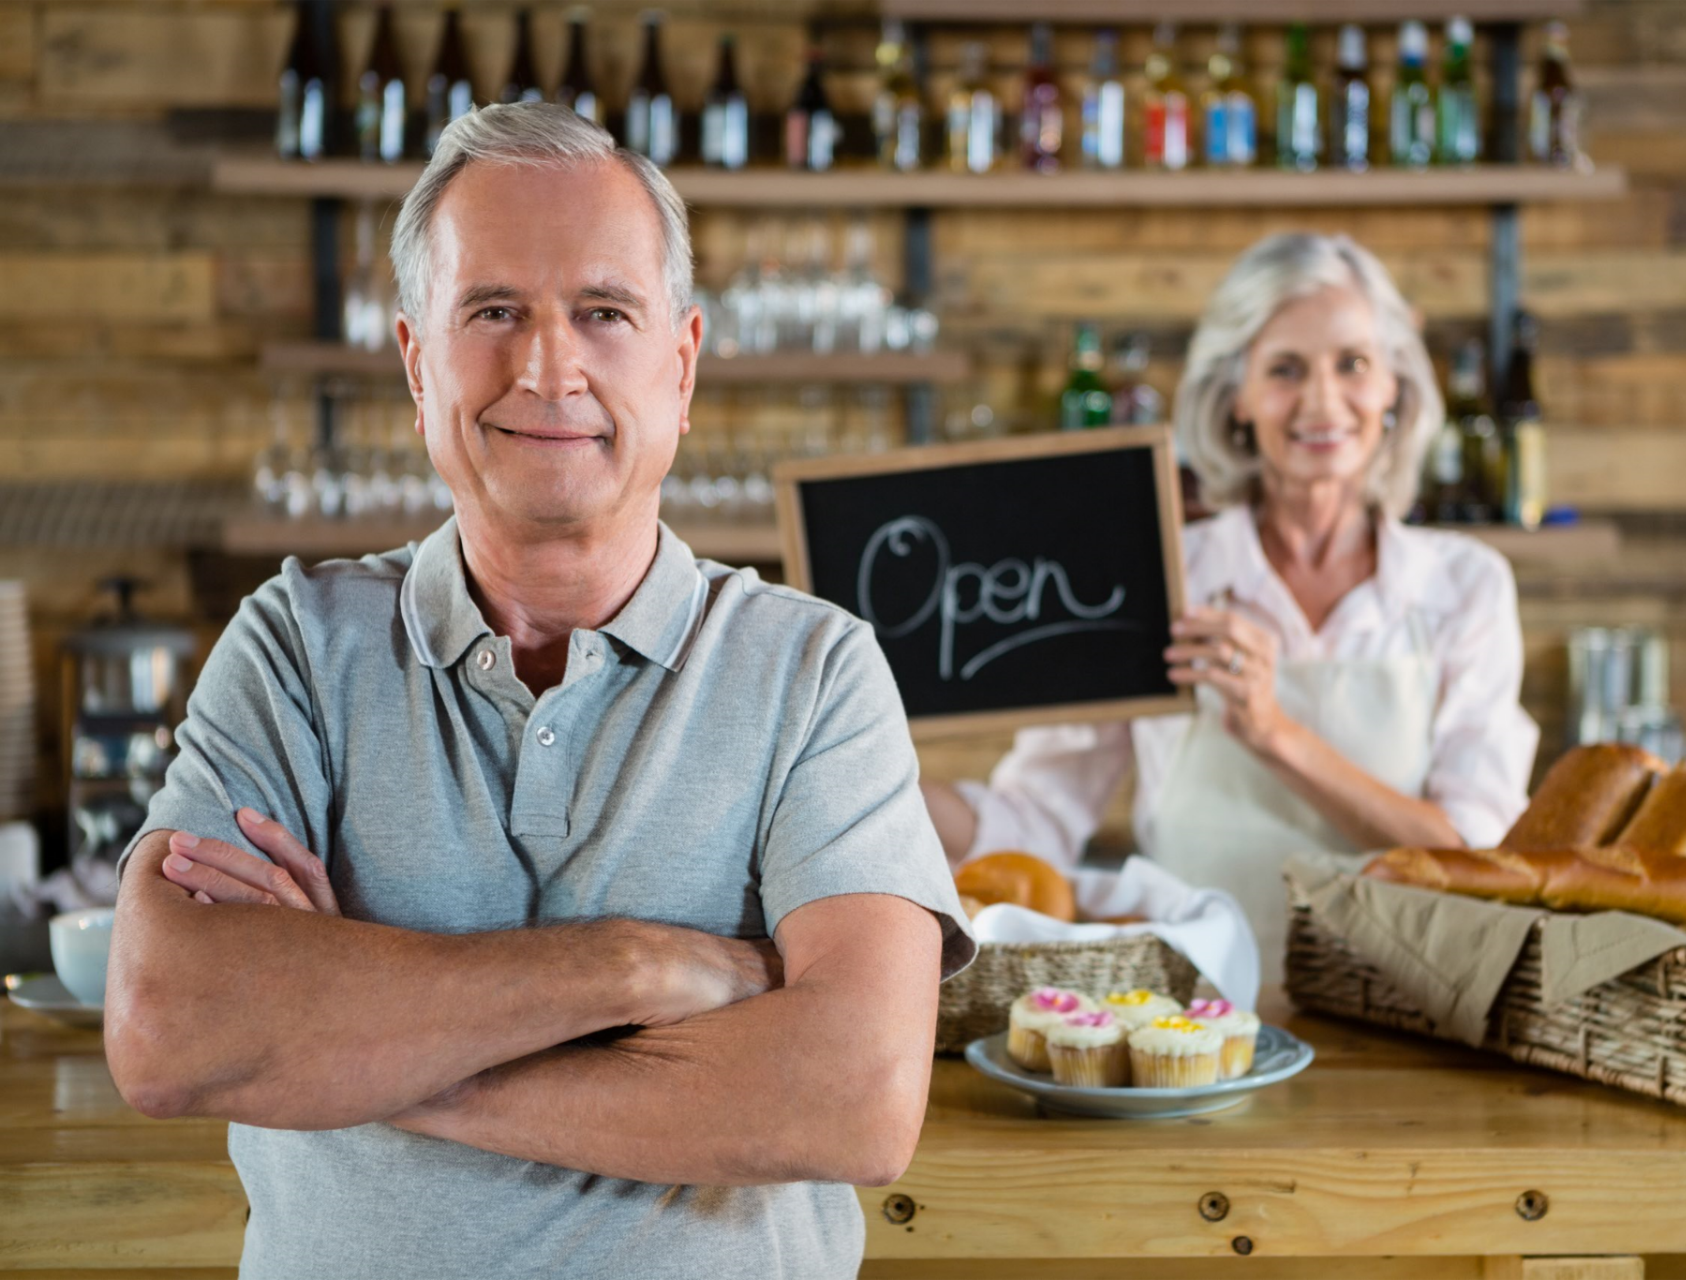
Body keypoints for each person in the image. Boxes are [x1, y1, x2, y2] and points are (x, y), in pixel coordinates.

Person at [104, 103, 974, 1280]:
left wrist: (357, 1044)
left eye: (602, 312)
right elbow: (170, 1030)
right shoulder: (297, 645)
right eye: (494, 310)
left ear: (681, 364)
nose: (546, 365)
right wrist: (627, 969)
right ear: (418, 363)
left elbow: (850, 1101)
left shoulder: (813, 670)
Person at [922, 233, 1537, 985]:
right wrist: (875, 782)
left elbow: (1472, 861)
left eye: (1352, 363)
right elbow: (1035, 822)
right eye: (1284, 369)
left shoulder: (1464, 587)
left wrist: (1273, 732)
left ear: (1392, 389)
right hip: (1189, 1019)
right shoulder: (1158, 572)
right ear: (1237, 396)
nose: (1321, 400)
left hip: (1409, 1015)